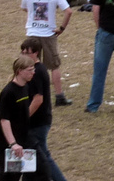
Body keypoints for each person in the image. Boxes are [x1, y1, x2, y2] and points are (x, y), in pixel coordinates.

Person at [19, 0, 71, 103]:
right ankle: (59, 96)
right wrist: (61, 28)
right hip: (49, 33)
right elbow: (68, 11)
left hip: (32, 32)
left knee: (29, 64)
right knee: (54, 65)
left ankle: (28, 93)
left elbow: (25, 8)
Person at [0, 56, 49, 181]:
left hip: (26, 138)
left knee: (41, 170)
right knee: (10, 176)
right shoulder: (8, 92)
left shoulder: (25, 87)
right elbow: (4, 120)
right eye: (30, 70)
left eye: (33, 69)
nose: (33, 73)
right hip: (10, 144)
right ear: (20, 71)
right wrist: (13, 144)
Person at [19, 38, 66, 181]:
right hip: (37, 121)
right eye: (22, 52)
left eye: (28, 53)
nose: (24, 55)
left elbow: (38, 99)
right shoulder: (34, 70)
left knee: (43, 156)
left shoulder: (37, 71)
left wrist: (23, 118)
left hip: (38, 122)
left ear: (36, 53)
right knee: (31, 155)